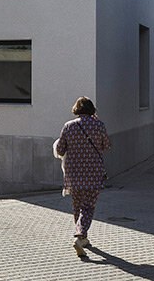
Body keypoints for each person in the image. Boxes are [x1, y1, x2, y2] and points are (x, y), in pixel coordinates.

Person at [53, 96, 111, 257]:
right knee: (88, 207)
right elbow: (107, 145)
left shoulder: (68, 126)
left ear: (77, 109)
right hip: (93, 173)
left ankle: (83, 238)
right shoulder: (99, 125)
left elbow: (60, 150)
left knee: (77, 205)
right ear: (92, 109)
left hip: (74, 173)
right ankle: (79, 236)